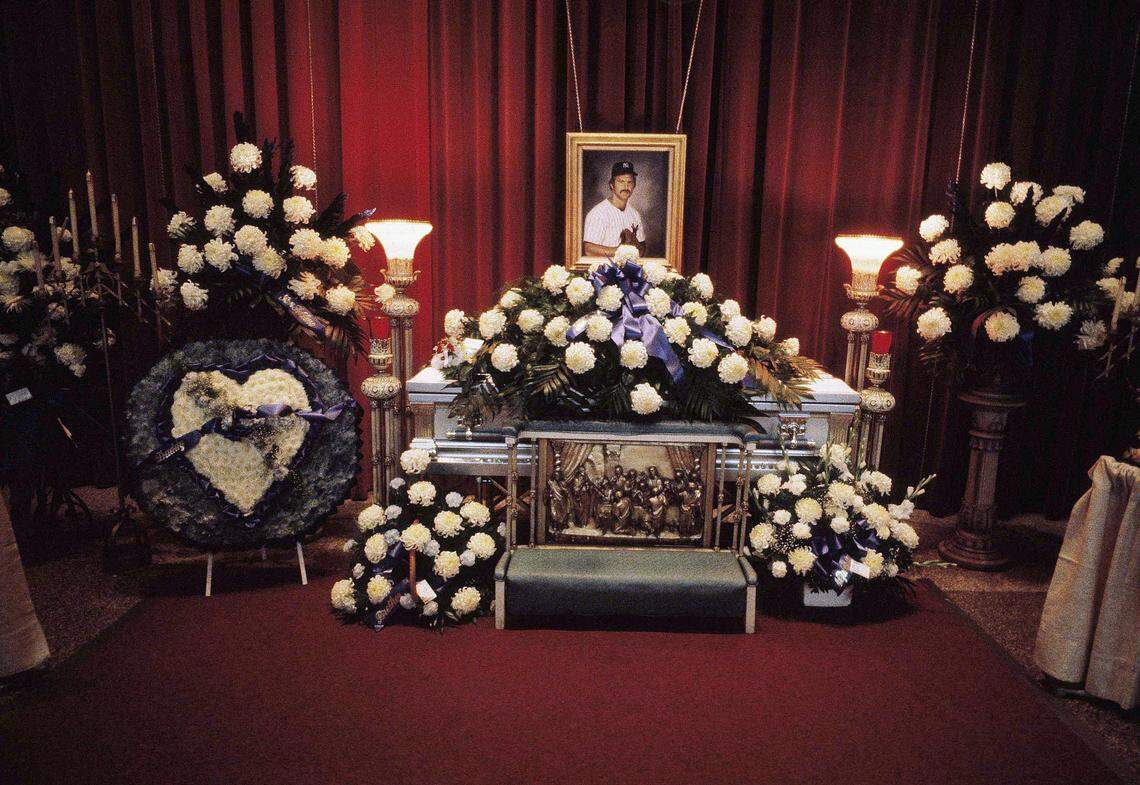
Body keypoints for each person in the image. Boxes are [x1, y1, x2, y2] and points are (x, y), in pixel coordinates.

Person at [582, 161, 647, 257]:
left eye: (630, 182)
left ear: (634, 185)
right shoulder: (598, 213)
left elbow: (642, 246)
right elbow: (589, 250)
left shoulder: (635, 214)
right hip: (604, 270)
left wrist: (636, 245)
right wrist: (622, 251)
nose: (626, 187)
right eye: (621, 182)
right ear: (612, 185)